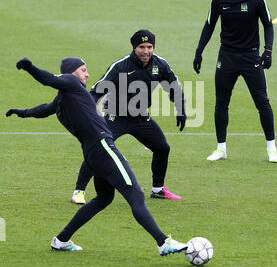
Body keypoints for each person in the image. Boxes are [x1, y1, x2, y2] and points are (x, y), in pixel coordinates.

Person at [6, 57, 187, 255]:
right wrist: (30, 67)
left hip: (92, 154)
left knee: (104, 198)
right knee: (136, 195)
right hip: (103, 148)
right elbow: (49, 79)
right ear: (71, 73)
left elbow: (44, 109)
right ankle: (163, 243)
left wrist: (22, 113)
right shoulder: (71, 82)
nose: (87, 74)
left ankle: (62, 240)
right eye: (83, 70)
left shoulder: (63, 99)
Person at [71, 29, 186, 205]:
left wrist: (181, 109)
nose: (146, 51)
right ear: (134, 48)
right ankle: (79, 191)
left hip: (140, 117)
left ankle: (158, 189)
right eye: (141, 47)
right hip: (115, 117)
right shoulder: (120, 66)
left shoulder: (160, 65)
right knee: (98, 149)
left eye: (149, 47)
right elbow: (97, 90)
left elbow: (174, 88)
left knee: (162, 148)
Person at [193, 0, 277, 163]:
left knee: (262, 102)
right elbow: (209, 26)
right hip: (227, 57)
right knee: (221, 103)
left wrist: (268, 50)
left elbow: (268, 24)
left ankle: (272, 148)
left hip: (251, 57)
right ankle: (221, 148)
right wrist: (199, 52)